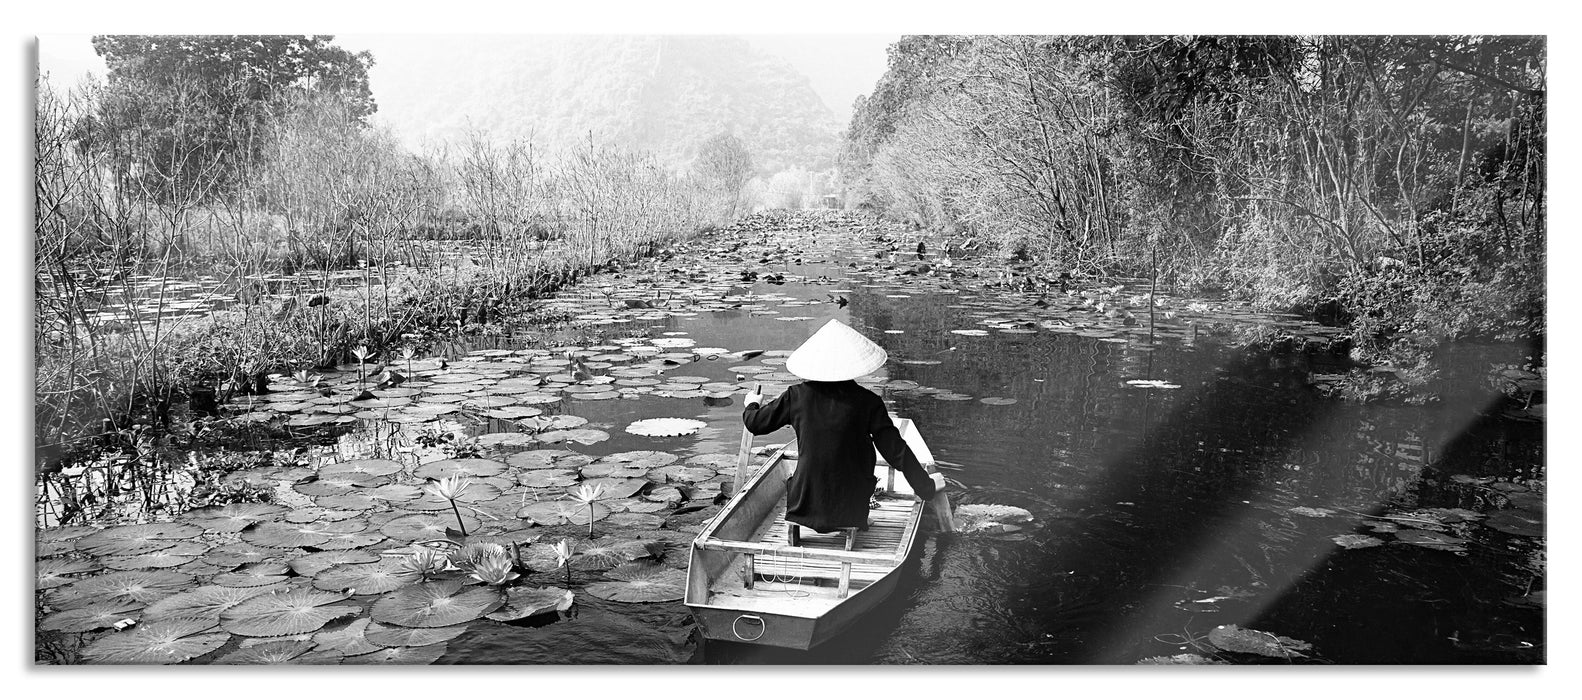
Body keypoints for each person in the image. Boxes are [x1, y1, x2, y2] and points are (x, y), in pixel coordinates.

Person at [742, 319, 940, 543]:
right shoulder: (868, 402)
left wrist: (752, 403)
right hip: (851, 506)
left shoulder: (796, 396)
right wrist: (926, 488)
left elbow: (755, 423)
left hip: (804, 503)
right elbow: (897, 452)